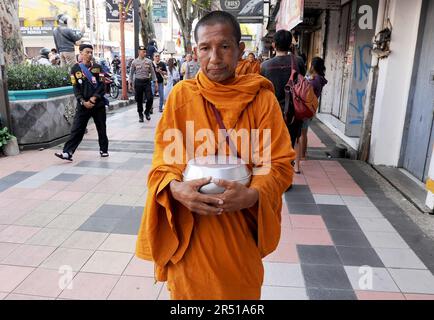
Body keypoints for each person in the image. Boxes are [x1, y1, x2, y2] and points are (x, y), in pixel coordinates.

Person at [135, 10, 295, 300]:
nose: (215, 57)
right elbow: (164, 163)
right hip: (190, 237)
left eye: (224, 47)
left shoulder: (262, 99)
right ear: (195, 52)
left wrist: (253, 195)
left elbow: (279, 164)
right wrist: (176, 189)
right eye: (205, 48)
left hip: (239, 237)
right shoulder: (182, 97)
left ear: (240, 50)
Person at [260, 29, 306, 173]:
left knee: (273, 145)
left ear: (274, 45)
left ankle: (274, 175)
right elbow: (302, 81)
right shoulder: (298, 62)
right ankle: (287, 176)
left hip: (272, 112)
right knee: (290, 145)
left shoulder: (265, 66)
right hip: (293, 112)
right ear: (290, 44)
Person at [55, 44, 109, 161]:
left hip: (97, 104)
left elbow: (102, 85)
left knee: (101, 128)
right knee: (77, 129)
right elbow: (75, 87)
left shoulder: (98, 68)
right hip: (83, 105)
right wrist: (82, 101)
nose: (89, 54)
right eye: (87, 52)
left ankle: (104, 149)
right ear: (81, 53)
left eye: (91, 52)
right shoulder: (75, 69)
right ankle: (67, 152)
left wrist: (93, 98)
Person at [298, 57, 328, 163]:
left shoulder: (315, 80)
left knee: (302, 132)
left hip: (307, 108)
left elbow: (305, 91)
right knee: (303, 132)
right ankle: (303, 153)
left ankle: (302, 155)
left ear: (314, 66)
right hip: (311, 108)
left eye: (311, 64)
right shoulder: (318, 78)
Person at [129, 46, 157, 122]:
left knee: (150, 98)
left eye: (145, 51)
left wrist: (155, 82)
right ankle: (140, 115)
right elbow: (131, 74)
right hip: (138, 82)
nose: (144, 53)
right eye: (142, 51)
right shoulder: (134, 62)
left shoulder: (149, 61)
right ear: (139, 52)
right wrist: (130, 83)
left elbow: (153, 72)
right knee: (139, 100)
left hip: (146, 82)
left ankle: (147, 111)